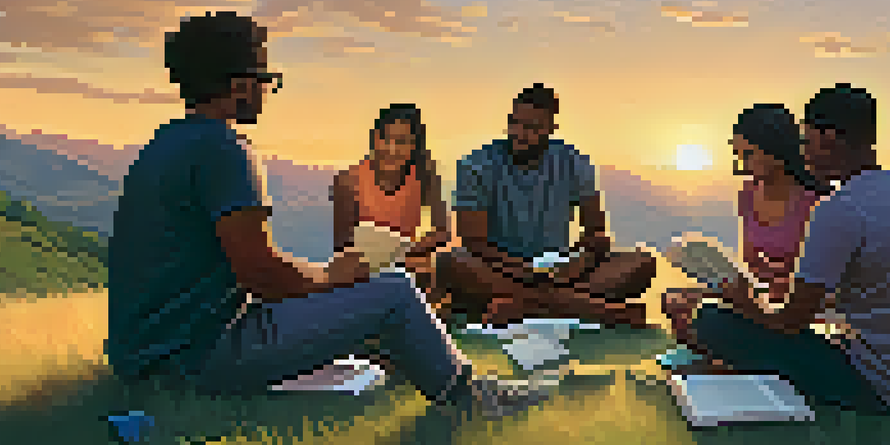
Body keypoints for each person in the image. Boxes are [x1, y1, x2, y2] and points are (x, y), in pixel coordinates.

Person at [104, 11, 551, 419]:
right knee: (394, 292)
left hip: (146, 356)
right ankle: (470, 401)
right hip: (199, 357)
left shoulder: (164, 145)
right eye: (267, 79)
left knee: (362, 327)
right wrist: (333, 277)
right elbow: (264, 276)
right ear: (241, 85)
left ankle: (415, 365)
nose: (266, 91)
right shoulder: (224, 150)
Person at [682, 84, 890, 415]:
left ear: (828, 139)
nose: (803, 153)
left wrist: (739, 297)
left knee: (711, 321)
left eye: (806, 142)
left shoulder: (840, 208)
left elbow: (790, 323)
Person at [435, 84, 657, 328]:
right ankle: (595, 310)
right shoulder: (476, 164)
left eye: (531, 127)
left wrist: (578, 263)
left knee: (642, 263)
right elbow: (472, 241)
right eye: (515, 123)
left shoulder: (574, 162)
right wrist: (524, 270)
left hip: (559, 273)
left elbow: (597, 234)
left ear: (551, 128)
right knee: (449, 262)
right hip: (499, 269)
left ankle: (523, 305)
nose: (520, 133)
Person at [661, 104, 827, 346]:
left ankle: (741, 352)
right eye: (738, 155)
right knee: (676, 301)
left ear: (776, 151)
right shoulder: (748, 194)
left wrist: (783, 283)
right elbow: (752, 263)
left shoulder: (817, 204)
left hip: (801, 305)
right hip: (760, 295)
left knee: (708, 320)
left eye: (748, 155)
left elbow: (829, 281)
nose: (742, 165)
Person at [331, 104, 452, 298]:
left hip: (408, 264)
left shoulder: (425, 175)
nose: (392, 149)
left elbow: (443, 230)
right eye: (385, 139)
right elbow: (342, 245)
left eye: (402, 141)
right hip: (362, 268)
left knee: (433, 274)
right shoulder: (348, 180)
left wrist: (408, 251)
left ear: (415, 146)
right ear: (374, 139)